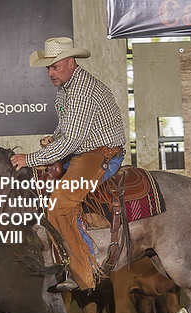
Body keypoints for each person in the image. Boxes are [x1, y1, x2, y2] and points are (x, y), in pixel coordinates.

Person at [11, 37, 127, 292]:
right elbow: (68, 131)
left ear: (71, 63)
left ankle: (86, 271)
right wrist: (54, 138)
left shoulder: (82, 91)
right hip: (85, 151)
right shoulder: (67, 88)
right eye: (48, 68)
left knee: (60, 204)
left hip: (101, 154)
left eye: (55, 67)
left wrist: (29, 159)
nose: (50, 73)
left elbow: (72, 141)